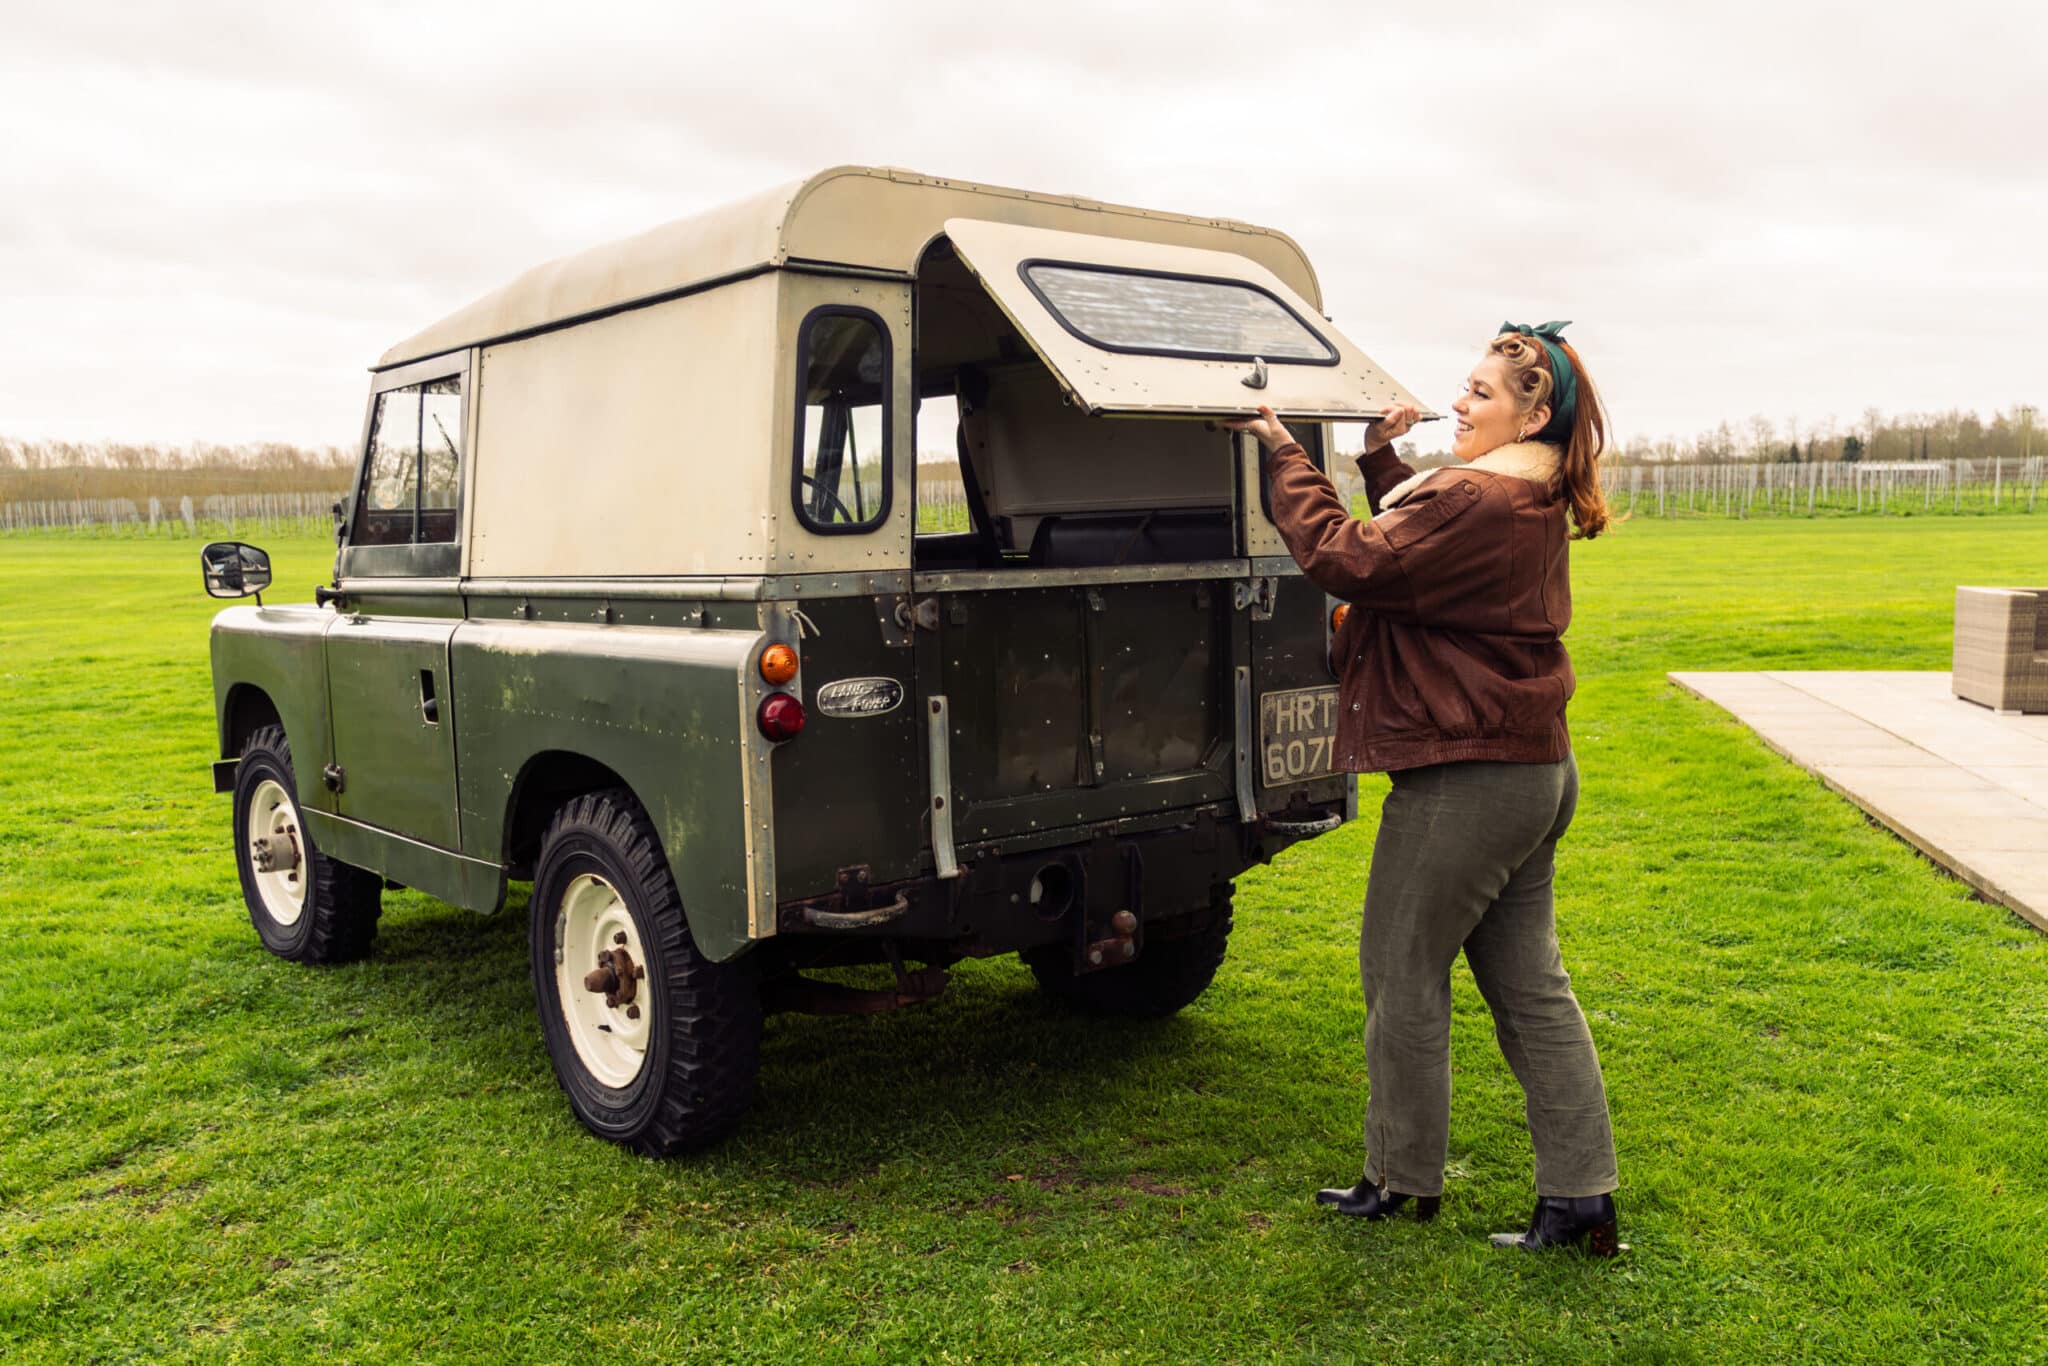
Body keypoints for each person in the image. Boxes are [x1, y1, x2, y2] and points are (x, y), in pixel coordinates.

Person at [1224, 321, 1622, 1257]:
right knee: (1533, 992)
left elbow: (1353, 559)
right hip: (1534, 771)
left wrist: (1283, 450)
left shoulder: (1477, 494)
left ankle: (1400, 1180)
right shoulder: (1523, 493)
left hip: (1467, 781)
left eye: (1481, 393)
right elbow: (1421, 555)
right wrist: (1377, 457)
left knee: (1400, 974)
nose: (1459, 403)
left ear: (1534, 415)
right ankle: (1581, 1201)